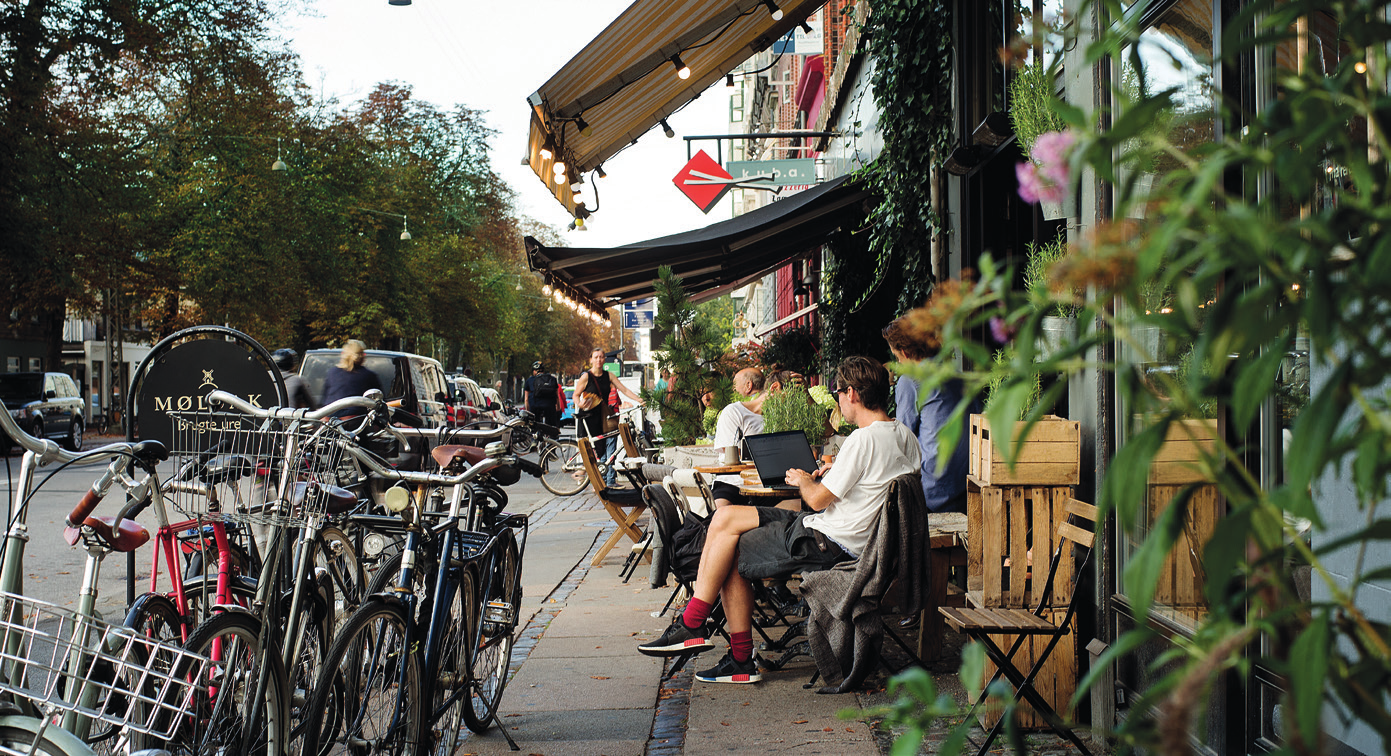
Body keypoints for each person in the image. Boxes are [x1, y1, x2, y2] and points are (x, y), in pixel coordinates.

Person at [638, 356, 920, 684]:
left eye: (838, 391)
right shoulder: (903, 435)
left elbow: (815, 499)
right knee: (726, 520)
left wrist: (803, 480)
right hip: (844, 537)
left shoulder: (863, 439)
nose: (838, 399)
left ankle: (721, 645)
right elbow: (872, 483)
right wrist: (832, 471)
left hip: (827, 543)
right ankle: (703, 631)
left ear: (853, 394)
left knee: (727, 545)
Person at [882, 316, 977, 514]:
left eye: (897, 357)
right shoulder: (957, 374)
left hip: (934, 492)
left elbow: (903, 439)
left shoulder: (910, 380)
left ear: (906, 353)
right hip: (968, 485)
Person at [574, 348, 641, 485]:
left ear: (604, 359)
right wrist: (579, 403)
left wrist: (639, 399)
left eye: (601, 357)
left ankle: (607, 480)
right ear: (591, 360)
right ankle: (600, 480)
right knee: (598, 450)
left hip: (604, 416)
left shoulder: (609, 376)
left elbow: (624, 390)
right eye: (596, 357)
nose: (599, 360)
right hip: (589, 416)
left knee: (607, 448)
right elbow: (576, 394)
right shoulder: (586, 377)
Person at [709, 368, 767, 509]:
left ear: (748, 385)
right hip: (732, 482)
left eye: (734, 384)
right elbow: (730, 455)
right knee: (719, 516)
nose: (732, 389)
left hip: (765, 484)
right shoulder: (735, 411)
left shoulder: (779, 415)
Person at [320, 340, 382, 416]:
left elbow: (324, 398)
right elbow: (380, 402)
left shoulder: (332, 372)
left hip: (330, 421)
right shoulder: (368, 375)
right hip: (356, 421)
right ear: (361, 356)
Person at [523, 361, 562, 427]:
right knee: (551, 426)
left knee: (534, 426)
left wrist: (527, 411)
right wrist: (558, 408)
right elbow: (557, 395)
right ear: (543, 370)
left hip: (535, 406)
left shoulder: (530, 380)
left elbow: (526, 399)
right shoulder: (552, 379)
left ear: (534, 371)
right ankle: (551, 435)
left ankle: (535, 434)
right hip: (550, 406)